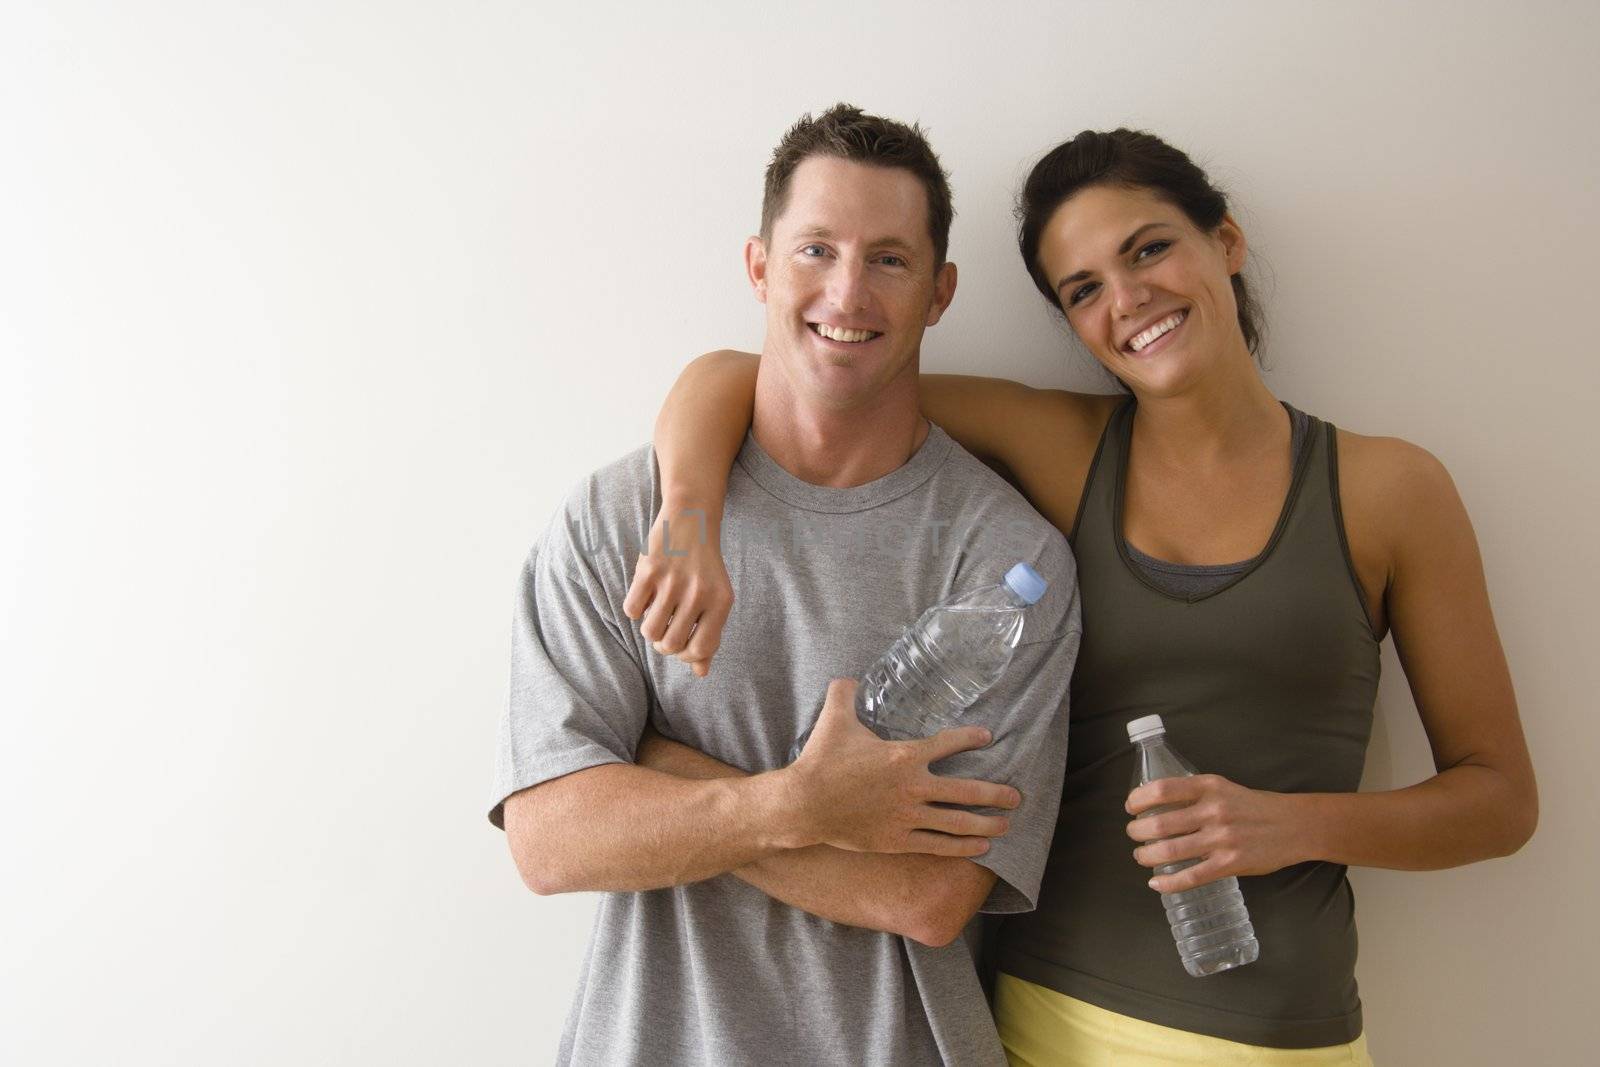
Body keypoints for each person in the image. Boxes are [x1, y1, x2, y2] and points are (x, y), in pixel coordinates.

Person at [625, 128, 1538, 1064]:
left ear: (1225, 242)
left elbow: (1500, 800)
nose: (1129, 299)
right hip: (1038, 1020)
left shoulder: (1390, 489)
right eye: (1084, 289)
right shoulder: (1065, 449)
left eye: (1148, 249)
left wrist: (1288, 823)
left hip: (1275, 1032)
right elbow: (761, 374)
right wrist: (688, 517)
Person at [488, 103, 1083, 1066]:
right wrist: (796, 805)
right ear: (760, 266)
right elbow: (551, 841)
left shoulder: (1009, 569)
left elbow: (928, 898)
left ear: (940, 292)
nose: (848, 290)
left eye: (890, 259)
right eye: (816, 249)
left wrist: (658, 766)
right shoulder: (623, 521)